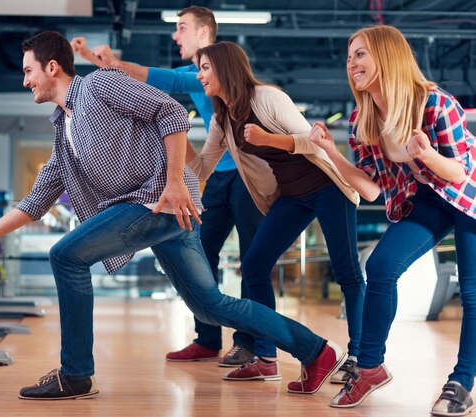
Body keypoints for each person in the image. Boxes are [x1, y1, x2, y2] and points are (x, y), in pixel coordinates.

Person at [0, 30, 346, 400]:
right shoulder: (62, 126)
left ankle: (75, 374)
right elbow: (36, 201)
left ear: (52, 67)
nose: (26, 81)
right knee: (208, 305)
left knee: (66, 256)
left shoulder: (98, 84)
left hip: (155, 201)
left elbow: (171, 112)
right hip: (161, 212)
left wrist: (175, 181)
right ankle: (315, 350)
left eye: (28, 71)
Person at [72, 6, 268, 370]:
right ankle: (208, 339)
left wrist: (112, 60)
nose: (175, 36)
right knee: (201, 252)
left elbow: (166, 81)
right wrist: (90, 59)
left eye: (182, 28)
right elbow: (153, 81)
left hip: (247, 175)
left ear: (205, 33)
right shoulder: (191, 73)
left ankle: (253, 344)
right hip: (218, 176)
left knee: (253, 261)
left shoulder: (215, 70)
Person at [309, 25, 476, 415]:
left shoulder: (434, 103)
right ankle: (369, 367)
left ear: (387, 57)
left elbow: (459, 173)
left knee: (471, 292)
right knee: (381, 266)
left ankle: (461, 382)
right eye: (349, 56)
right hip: (428, 200)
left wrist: (427, 155)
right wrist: (330, 154)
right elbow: (370, 189)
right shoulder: (363, 120)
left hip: (468, 196)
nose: (352, 63)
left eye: (361, 54)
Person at [186, 41, 366, 384]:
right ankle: (266, 355)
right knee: (254, 264)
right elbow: (204, 165)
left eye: (206, 67)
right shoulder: (223, 118)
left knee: (347, 272)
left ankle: (359, 357)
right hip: (292, 196)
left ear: (225, 69)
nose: (200, 75)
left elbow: (312, 140)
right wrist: (176, 154)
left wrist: (268, 139)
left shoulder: (267, 98)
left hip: (328, 188)